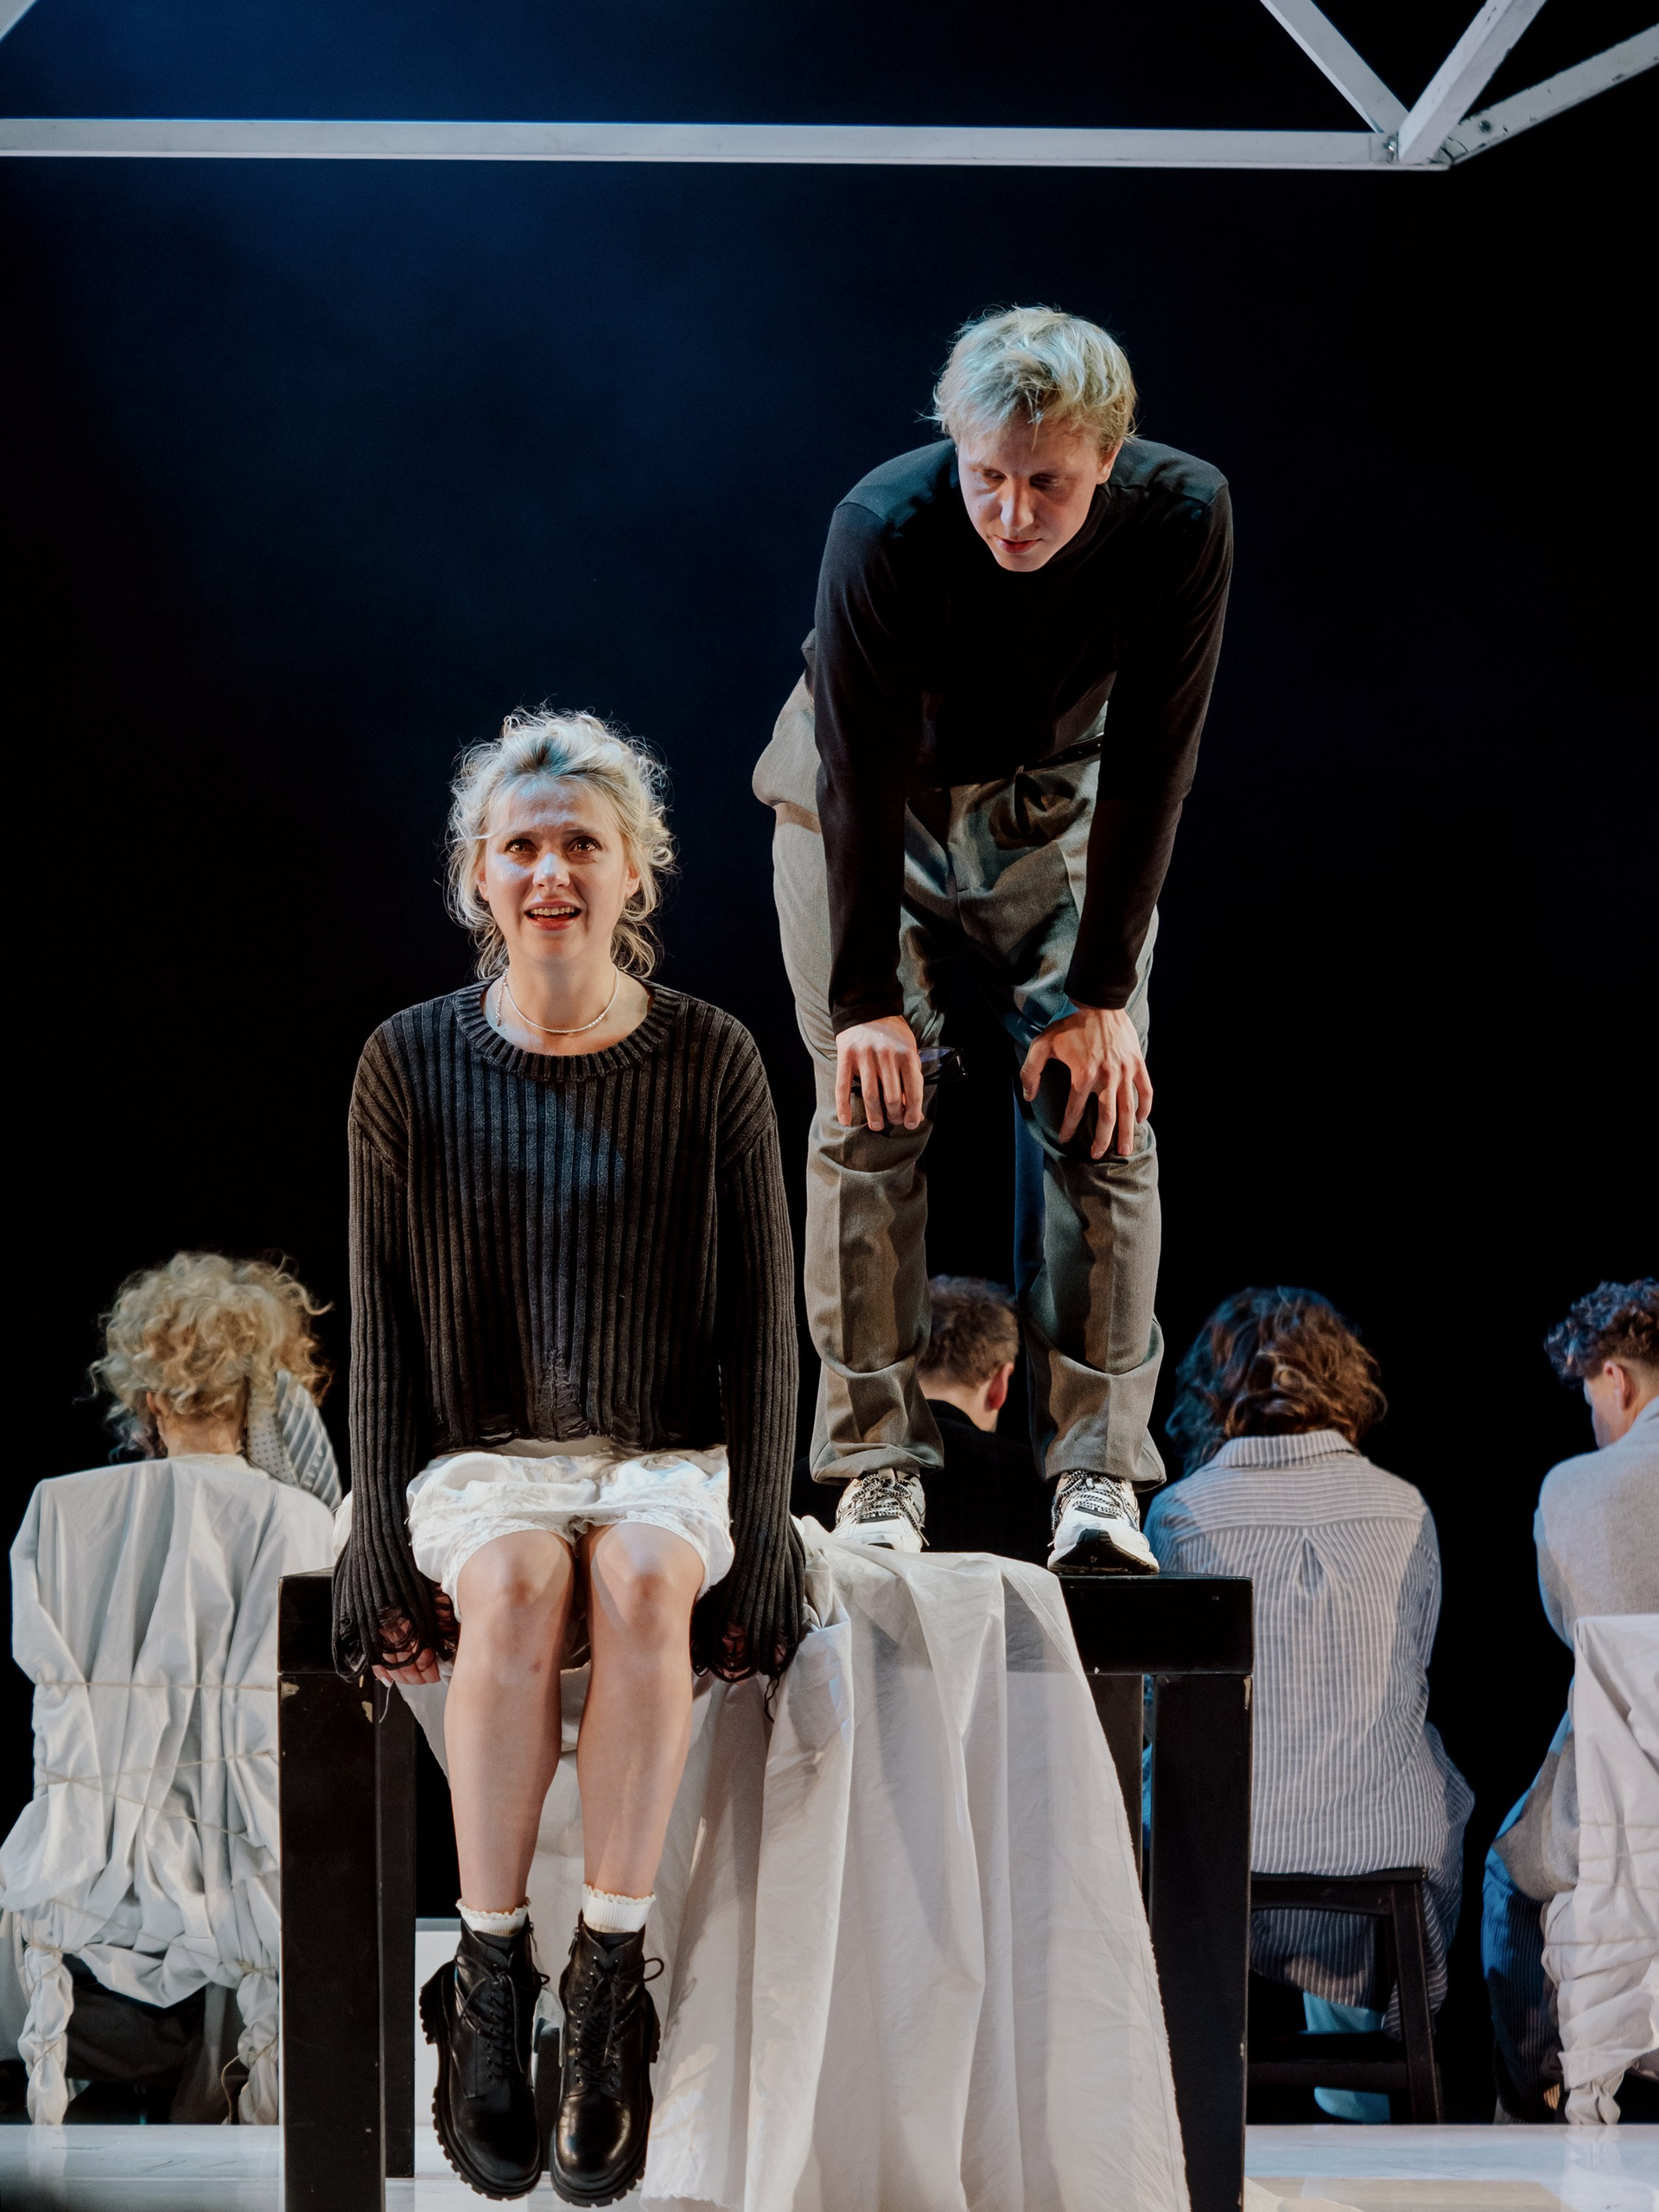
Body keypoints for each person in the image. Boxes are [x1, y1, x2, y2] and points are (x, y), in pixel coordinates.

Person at [332, 712, 803, 2203]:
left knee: (651, 1579)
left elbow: (764, 1323)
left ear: (634, 873)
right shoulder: (407, 1060)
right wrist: (372, 1532)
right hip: (483, 1454)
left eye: (580, 845)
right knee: (521, 1585)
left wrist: (766, 1533)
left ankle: (605, 1986)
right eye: (522, 846)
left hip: (662, 1448)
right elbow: (383, 1321)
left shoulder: (712, 1056)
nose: (551, 873)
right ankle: (487, 1983)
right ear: (478, 873)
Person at [755, 304, 1230, 1573]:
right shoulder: (882, 524)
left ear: (1108, 458)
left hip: (1054, 802)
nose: (1013, 513)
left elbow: (1157, 758)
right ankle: (875, 1466)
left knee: (1102, 1101)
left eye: (1048, 484)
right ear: (953, 448)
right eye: (988, 478)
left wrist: (1103, 995)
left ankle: (1095, 1472)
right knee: (869, 1107)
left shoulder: (1183, 515)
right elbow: (855, 770)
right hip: (868, 804)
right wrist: (864, 999)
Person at [1, 1252, 338, 2124]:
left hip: (85, 1843)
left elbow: (50, 1689)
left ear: (148, 1396)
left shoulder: (62, 1510)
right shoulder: (302, 1520)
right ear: (264, 1393)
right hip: (244, 1849)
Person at [1146, 1287, 1472, 2122]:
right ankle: (1360, 2114)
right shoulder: (1404, 1507)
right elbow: (1412, 1668)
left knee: (1187, 1778)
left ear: (1215, 1388)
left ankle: (1172, 2105)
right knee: (1388, 1765)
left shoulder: (1181, 1513)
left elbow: (1163, 1698)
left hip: (1222, 1837)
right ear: (1343, 1382)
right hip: (1382, 1834)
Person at [1483, 1278, 1659, 2122]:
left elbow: (1574, 1629)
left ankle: (1538, 2102)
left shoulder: (1574, 1487)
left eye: (1591, 1397)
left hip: (1620, 1799)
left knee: (1508, 1874)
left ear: (1614, 1379)